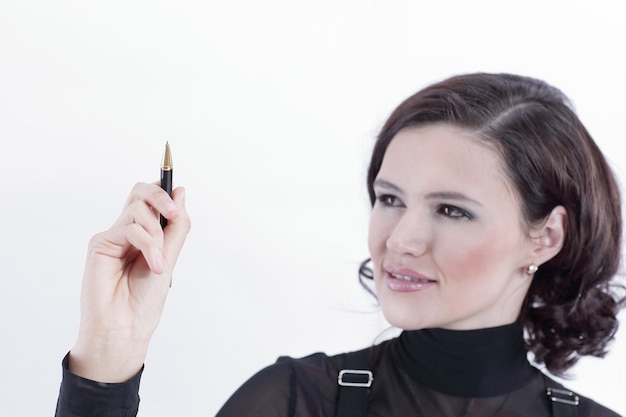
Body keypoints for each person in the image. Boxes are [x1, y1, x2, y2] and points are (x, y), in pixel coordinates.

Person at [55, 73, 624, 416]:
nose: (400, 240)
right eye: (390, 198)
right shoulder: (294, 403)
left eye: (451, 210)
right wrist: (108, 354)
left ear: (545, 236)